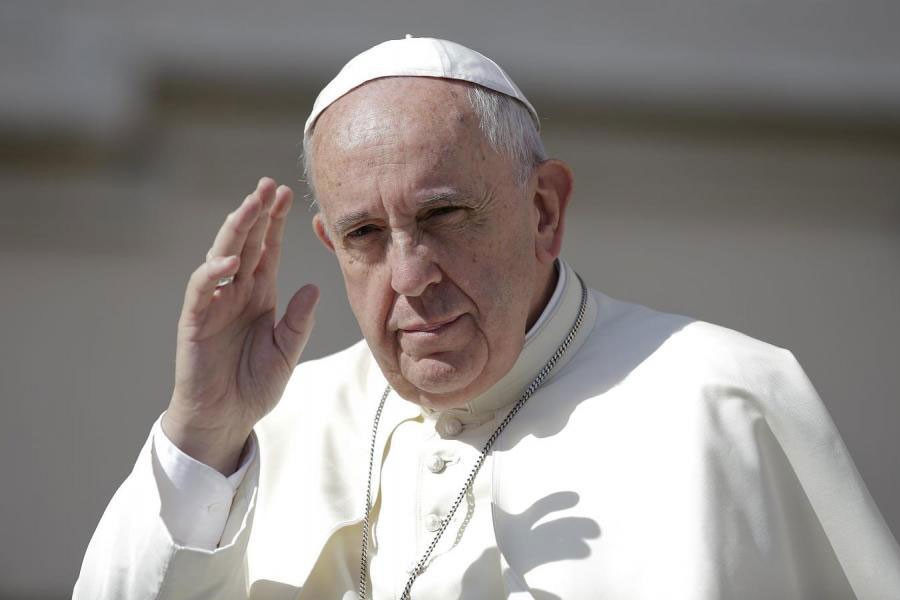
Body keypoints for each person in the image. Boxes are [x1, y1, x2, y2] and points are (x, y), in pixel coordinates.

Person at [75, 37, 900, 600]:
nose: (409, 277)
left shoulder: (722, 399)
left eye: (443, 217)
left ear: (543, 210)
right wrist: (201, 434)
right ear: (329, 243)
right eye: (365, 234)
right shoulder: (261, 433)